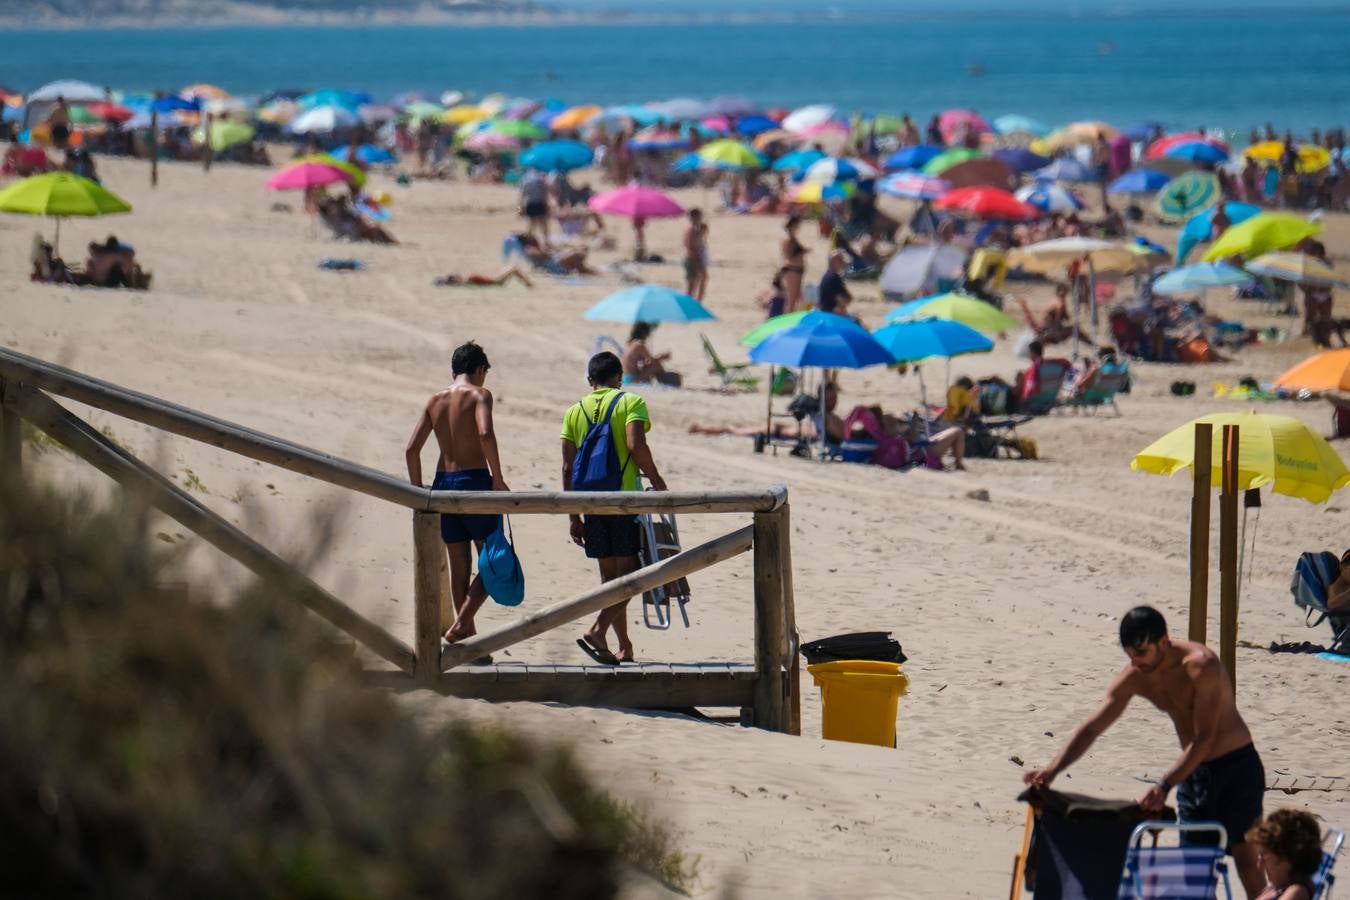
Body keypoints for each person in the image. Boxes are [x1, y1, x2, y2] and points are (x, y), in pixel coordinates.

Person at [1023, 606, 1266, 898]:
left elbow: (1204, 739)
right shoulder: (1136, 675)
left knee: (1245, 859)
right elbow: (1092, 727)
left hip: (1235, 768)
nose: (1135, 662)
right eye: (1130, 655)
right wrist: (1053, 769)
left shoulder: (1202, 667)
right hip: (1193, 773)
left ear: (1163, 642)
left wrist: (1165, 785)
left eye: (1141, 653)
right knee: (1193, 866)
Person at [561, 352, 668, 665]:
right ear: (619, 377)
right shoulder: (630, 402)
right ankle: (597, 629)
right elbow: (637, 447)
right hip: (623, 502)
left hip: (591, 503)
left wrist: (573, 515)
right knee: (632, 572)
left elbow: (567, 467)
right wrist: (658, 481)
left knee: (610, 579)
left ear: (590, 380)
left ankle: (622, 646)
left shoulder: (573, 412)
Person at [404, 341, 510, 650]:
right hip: (475, 480)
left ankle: (468, 642)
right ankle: (461, 625)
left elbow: (412, 449)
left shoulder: (434, 401)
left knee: (459, 565)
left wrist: (417, 489)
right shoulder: (480, 395)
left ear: (453, 371)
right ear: (480, 370)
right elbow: (485, 433)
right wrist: (498, 478)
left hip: (442, 484)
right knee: (494, 561)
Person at [1246, 810, 1324, 900]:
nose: (1260, 865)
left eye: (1265, 857)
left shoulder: (1296, 892)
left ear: (1286, 858)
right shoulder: (1278, 886)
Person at [622, 321, 681, 387]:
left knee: (652, 365)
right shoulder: (639, 345)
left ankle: (664, 381)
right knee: (656, 365)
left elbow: (644, 361)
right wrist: (663, 357)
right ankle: (665, 382)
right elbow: (651, 360)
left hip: (626, 378)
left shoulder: (631, 344)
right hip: (632, 380)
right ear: (645, 333)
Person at [780, 216, 808, 313]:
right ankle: (786, 321)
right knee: (791, 300)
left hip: (798, 270)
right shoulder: (787, 239)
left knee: (797, 299)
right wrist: (801, 252)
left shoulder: (793, 238)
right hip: (792, 271)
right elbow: (788, 256)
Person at [519, 168, 551, 248]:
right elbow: (545, 193)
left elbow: (522, 194)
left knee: (531, 224)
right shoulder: (541, 178)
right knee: (543, 224)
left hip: (530, 203)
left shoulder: (525, 178)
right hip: (539, 202)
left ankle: (528, 242)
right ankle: (546, 242)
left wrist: (520, 208)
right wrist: (547, 205)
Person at [683, 208, 708, 301]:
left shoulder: (696, 229)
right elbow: (690, 246)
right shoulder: (690, 230)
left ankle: (698, 301)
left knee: (702, 279)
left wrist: (702, 232)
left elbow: (701, 242)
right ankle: (691, 303)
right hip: (693, 259)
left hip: (697, 258)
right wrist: (697, 260)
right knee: (692, 285)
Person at [817, 249, 852, 315]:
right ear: (833, 262)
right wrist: (848, 299)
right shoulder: (833, 278)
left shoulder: (827, 276)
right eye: (840, 260)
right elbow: (841, 300)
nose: (843, 263)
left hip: (825, 312)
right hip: (833, 314)